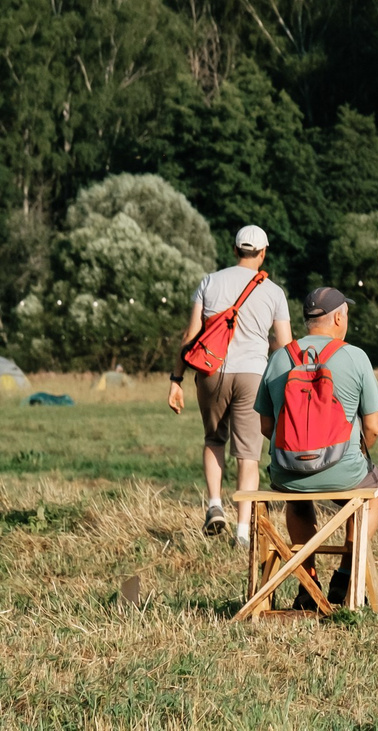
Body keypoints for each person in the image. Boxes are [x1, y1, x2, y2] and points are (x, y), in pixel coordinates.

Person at [256, 286, 378, 607]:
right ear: (339, 317)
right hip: (344, 470)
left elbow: (266, 427)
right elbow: (373, 426)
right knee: (376, 486)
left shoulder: (279, 359)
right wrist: (350, 453)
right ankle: (345, 574)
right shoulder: (355, 356)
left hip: (288, 470)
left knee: (298, 500)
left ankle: (307, 582)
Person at [167, 225, 292, 544]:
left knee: (213, 438)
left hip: (211, 371)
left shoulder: (209, 282)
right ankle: (242, 532)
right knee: (248, 454)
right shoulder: (274, 292)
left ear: (235, 250)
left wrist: (176, 379)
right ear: (263, 254)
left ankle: (214, 505)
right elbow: (285, 344)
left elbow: (191, 335)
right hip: (253, 373)